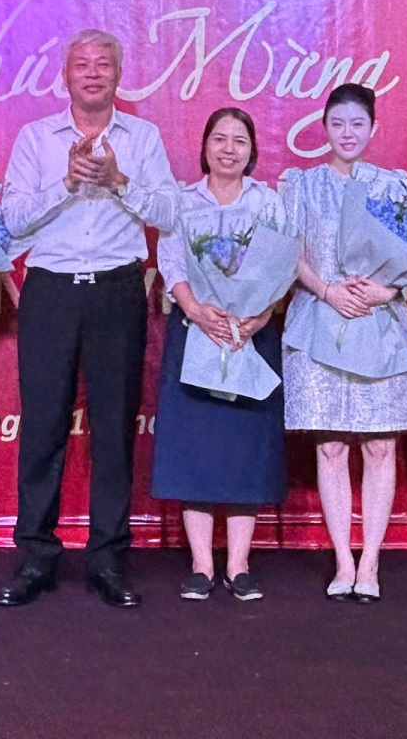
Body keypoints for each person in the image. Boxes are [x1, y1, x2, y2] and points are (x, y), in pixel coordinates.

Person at [0, 29, 178, 608]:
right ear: (65, 75)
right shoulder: (36, 137)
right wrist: (68, 183)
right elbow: (12, 219)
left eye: (103, 64)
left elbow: (170, 212)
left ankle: (107, 558)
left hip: (117, 291)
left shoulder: (143, 138)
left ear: (119, 75)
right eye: (82, 64)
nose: (93, 73)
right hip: (50, 291)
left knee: (114, 427)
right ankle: (36, 555)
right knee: (42, 426)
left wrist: (121, 183)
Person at [281, 83, 407, 603]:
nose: (347, 133)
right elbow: (291, 252)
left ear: (373, 128)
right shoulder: (301, 186)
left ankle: (371, 562)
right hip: (321, 318)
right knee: (332, 446)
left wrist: (389, 289)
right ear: (324, 128)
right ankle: (343, 561)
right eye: (337, 124)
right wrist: (327, 290)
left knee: (381, 446)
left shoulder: (395, 186)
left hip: (379, 320)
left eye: (357, 124)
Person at [151, 107, 290, 601]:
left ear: (252, 151)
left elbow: (283, 266)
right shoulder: (183, 202)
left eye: (239, 141)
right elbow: (171, 261)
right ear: (205, 146)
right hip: (196, 330)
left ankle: (239, 564)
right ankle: (201, 564)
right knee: (197, 447)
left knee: (243, 447)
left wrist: (260, 315)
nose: (229, 149)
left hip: (251, 336)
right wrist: (195, 310)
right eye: (220, 139)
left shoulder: (268, 202)